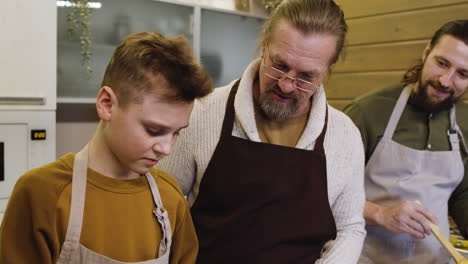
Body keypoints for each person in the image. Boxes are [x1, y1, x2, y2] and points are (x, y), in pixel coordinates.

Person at [157, 0, 366, 263]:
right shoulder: (203, 112)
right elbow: (159, 205)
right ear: (263, 46)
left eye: (306, 76)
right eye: (279, 65)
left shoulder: (345, 136)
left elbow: (350, 228)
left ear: (327, 71)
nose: (287, 85)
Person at [0, 32, 212, 264]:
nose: (166, 148)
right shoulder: (41, 194)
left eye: (177, 133)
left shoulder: (170, 197)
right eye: (153, 130)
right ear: (107, 104)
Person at [343, 20, 468, 263]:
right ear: (426, 52)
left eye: (462, 74)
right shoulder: (367, 112)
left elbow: (463, 196)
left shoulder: (465, 122)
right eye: (441, 63)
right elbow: (325, 192)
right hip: (367, 257)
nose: (445, 80)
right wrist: (381, 214)